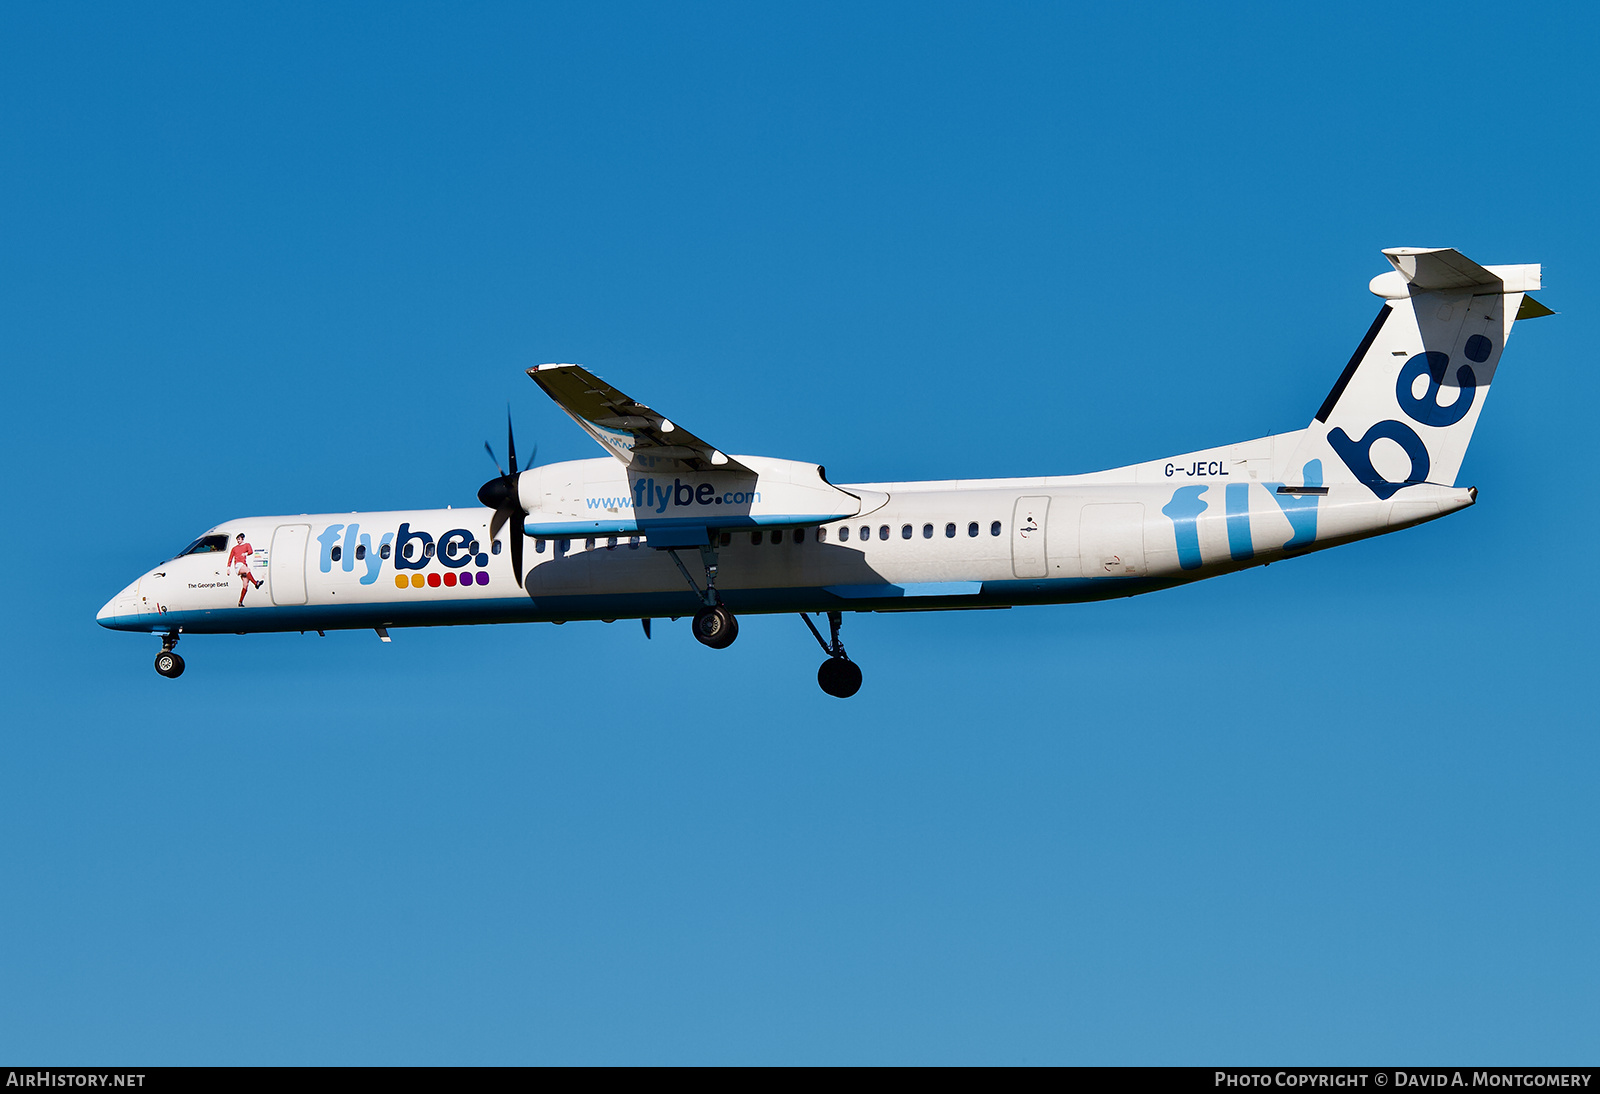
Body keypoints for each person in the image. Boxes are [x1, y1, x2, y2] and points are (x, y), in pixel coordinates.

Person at [228, 533, 263, 606]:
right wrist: (228, 568)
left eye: (239, 539)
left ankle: (240, 602)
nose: (238, 541)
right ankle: (256, 583)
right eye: (237, 539)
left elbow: (250, 551)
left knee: (245, 585)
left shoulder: (247, 545)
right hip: (238, 565)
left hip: (243, 564)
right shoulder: (234, 548)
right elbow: (230, 558)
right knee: (247, 570)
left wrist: (245, 554)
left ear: (242, 539)